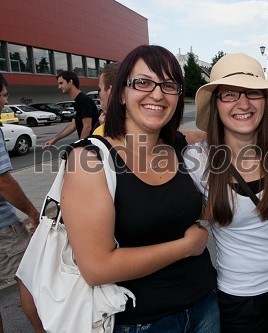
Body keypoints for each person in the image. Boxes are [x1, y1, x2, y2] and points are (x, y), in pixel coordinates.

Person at [60, 45, 219, 332]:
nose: (157, 94)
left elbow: (228, 135)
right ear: (121, 93)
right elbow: (97, 268)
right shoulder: (90, 160)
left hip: (206, 305)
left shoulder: (180, 145)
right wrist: (186, 247)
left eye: (169, 85)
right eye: (143, 83)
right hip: (140, 321)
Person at [184, 53, 268, 333]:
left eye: (253, 93)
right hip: (239, 299)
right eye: (229, 95)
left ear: (264, 101)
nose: (243, 104)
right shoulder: (196, 161)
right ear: (216, 104)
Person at [0, 74, 44, 333]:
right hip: (4, 227)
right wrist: (32, 211)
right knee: (29, 275)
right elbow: (4, 183)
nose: (6, 101)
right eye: (4, 95)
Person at [44, 70, 99, 147]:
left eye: (61, 83)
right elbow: (74, 125)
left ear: (70, 82)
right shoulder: (78, 101)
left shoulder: (84, 100)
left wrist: (80, 146)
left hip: (92, 146)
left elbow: (87, 127)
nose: (59, 87)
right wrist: (55, 139)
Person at [93, 62, 121, 136]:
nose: (100, 95)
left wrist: (105, 130)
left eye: (100, 89)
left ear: (111, 92)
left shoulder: (99, 133)